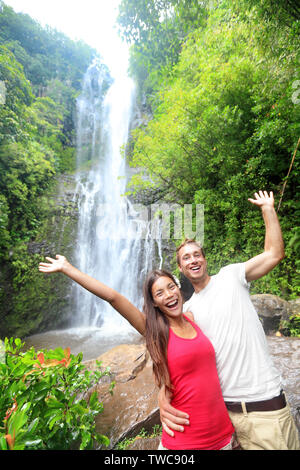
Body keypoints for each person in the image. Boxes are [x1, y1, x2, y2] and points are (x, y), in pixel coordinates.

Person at [39, 258, 239, 450]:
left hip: (222, 436)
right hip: (185, 438)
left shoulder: (193, 318)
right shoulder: (155, 331)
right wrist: (67, 268)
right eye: (159, 293)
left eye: (171, 287)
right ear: (154, 303)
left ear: (179, 288)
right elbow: (113, 297)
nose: (168, 295)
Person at [159, 190, 300, 450]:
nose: (193, 259)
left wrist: (268, 209)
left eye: (197, 254)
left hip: (265, 408)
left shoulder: (231, 276)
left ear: (204, 259)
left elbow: (274, 254)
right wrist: (162, 395)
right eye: (186, 257)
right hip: (227, 418)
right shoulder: (188, 311)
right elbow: (176, 357)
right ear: (181, 268)